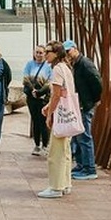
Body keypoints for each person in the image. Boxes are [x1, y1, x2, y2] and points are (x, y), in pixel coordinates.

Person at [38, 40, 75, 198]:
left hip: (60, 114)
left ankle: (56, 187)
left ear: (56, 53)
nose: (45, 55)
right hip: (67, 112)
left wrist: (50, 113)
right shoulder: (65, 68)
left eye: (48, 52)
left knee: (56, 152)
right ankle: (65, 183)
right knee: (65, 150)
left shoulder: (58, 70)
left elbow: (57, 94)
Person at [63, 39, 103, 180]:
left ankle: (89, 168)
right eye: (65, 52)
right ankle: (81, 164)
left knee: (85, 137)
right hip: (78, 105)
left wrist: (94, 100)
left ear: (75, 48)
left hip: (85, 105)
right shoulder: (75, 64)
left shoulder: (85, 64)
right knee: (78, 136)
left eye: (68, 51)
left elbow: (97, 82)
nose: (67, 54)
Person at [23, 45, 53, 156]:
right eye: (37, 52)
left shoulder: (49, 66)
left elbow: (50, 82)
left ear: (45, 53)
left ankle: (45, 145)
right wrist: (33, 90)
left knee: (43, 121)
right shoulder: (29, 64)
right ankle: (36, 145)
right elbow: (25, 79)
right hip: (31, 97)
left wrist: (40, 92)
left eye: (41, 52)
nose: (39, 55)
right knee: (35, 120)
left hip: (43, 98)